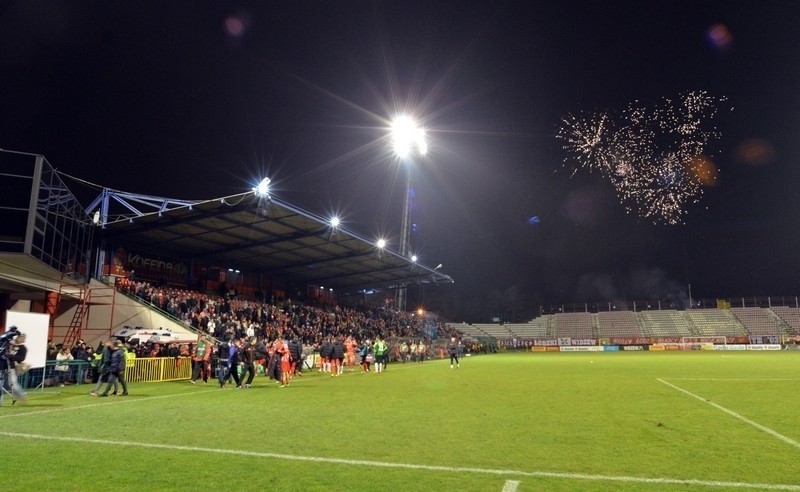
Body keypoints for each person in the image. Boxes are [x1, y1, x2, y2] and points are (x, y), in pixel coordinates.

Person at [0, 332, 28, 406]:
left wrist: (11, 356)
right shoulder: (8, 344)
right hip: (2, 365)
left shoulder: (23, 348)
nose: (19, 338)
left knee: (13, 384)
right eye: (19, 337)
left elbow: (21, 358)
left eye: (22, 338)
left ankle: (21, 395)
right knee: (0, 384)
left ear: (24, 340)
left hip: (12, 367)